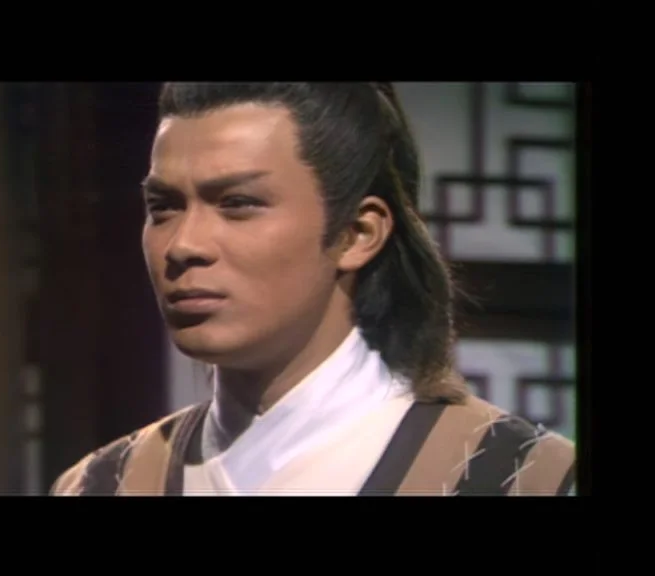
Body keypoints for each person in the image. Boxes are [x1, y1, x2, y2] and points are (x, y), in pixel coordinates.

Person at [50, 82, 576, 496]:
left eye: (237, 203)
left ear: (358, 234)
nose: (183, 245)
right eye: (163, 207)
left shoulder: (523, 477)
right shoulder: (103, 484)